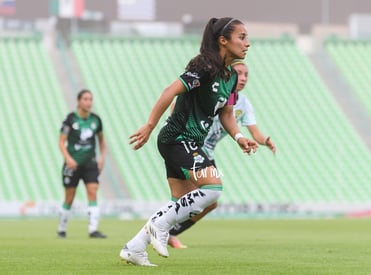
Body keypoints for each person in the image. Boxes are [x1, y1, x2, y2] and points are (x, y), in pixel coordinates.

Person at [119, 17, 257, 266]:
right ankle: (159, 226)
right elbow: (169, 91)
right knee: (213, 188)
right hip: (177, 138)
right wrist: (149, 125)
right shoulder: (204, 68)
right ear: (223, 41)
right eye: (242, 37)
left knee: (180, 201)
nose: (248, 43)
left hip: (191, 143)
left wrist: (239, 137)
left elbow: (226, 113)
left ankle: (135, 248)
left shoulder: (231, 78)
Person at [168, 59, 276, 248]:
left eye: (246, 75)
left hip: (207, 153)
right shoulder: (214, 91)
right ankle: (160, 230)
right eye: (239, 73)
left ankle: (168, 231)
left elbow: (254, 132)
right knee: (194, 195)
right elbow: (181, 100)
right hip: (189, 146)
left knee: (210, 202)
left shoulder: (243, 103)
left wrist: (265, 140)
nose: (242, 78)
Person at [57, 89, 107, 239]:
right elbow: (61, 141)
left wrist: (102, 158)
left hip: (90, 163)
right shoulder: (70, 119)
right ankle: (62, 228)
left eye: (90, 99)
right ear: (79, 101)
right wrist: (68, 158)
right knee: (69, 197)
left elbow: (102, 141)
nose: (89, 102)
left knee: (93, 191)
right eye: (85, 99)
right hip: (72, 164)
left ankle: (93, 230)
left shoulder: (96, 120)